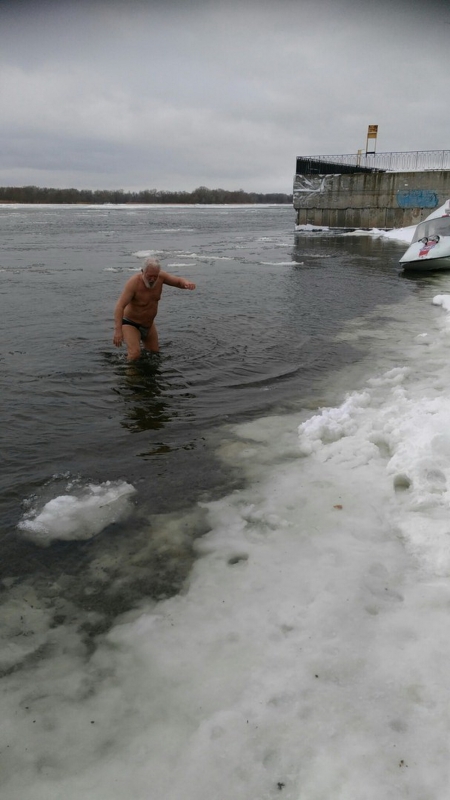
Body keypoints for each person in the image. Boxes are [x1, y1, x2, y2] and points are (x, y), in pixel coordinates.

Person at [113, 257, 196, 360]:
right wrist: (118, 331)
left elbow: (178, 281)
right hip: (131, 323)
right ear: (143, 272)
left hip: (149, 325)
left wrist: (187, 283)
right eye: (149, 276)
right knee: (134, 354)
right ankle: (131, 375)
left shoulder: (161, 277)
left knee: (154, 354)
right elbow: (119, 306)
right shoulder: (134, 283)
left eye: (155, 276)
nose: (152, 279)